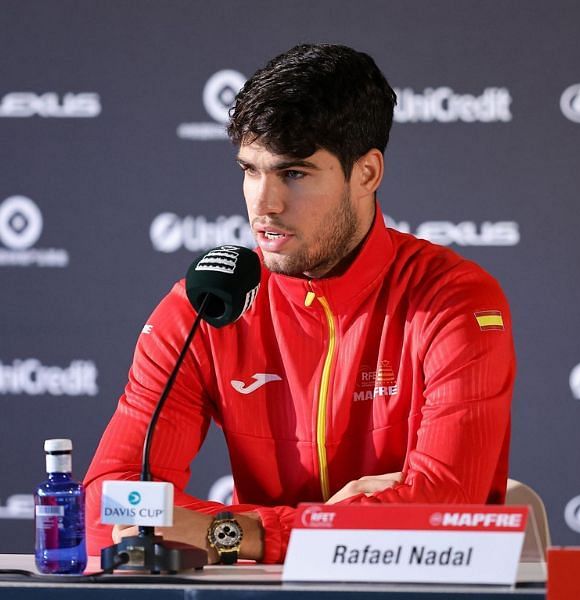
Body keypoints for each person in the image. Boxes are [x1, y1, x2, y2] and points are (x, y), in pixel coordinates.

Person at [83, 43, 515, 564]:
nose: (265, 205)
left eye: (294, 174)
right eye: (250, 170)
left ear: (367, 173)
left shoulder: (454, 301)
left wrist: (228, 533)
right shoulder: (205, 306)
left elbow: (442, 513)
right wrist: (334, 526)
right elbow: (107, 506)